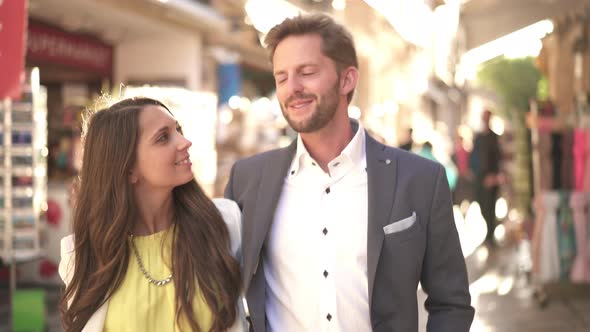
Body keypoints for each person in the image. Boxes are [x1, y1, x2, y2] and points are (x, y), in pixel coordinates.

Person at [225, 14, 474, 332]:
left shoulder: (421, 179)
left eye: (307, 72)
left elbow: (450, 302)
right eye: (282, 77)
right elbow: (218, 291)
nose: (293, 88)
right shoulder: (248, 180)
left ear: (347, 80)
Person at [58, 97, 246, 332]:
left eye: (178, 130)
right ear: (128, 169)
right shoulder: (82, 256)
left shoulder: (224, 224)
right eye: (163, 137)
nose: (185, 142)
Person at [471, 109, 503, 245]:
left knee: (490, 206)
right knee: (482, 204)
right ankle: (489, 233)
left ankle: (490, 235)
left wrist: (494, 176)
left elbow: (497, 157)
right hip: (479, 177)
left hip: (491, 176)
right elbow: (474, 156)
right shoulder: (478, 137)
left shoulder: (494, 137)